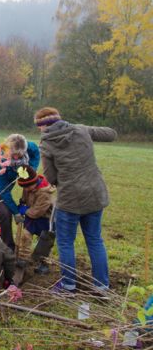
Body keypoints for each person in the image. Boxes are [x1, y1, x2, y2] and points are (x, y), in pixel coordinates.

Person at [35, 107, 116, 293]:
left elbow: (51, 177)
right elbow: (111, 134)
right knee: (95, 240)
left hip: (70, 200)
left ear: (43, 125)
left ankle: (68, 285)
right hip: (95, 195)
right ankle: (101, 286)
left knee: (65, 243)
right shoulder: (80, 129)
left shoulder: (46, 144)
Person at [0, 134, 40, 251]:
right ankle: (8, 247)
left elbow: (36, 153)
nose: (16, 157)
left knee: (5, 214)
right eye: (14, 155)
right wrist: (16, 212)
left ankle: (1, 240)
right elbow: (3, 192)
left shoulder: (28, 147)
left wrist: (32, 169)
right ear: (8, 149)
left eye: (19, 155)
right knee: (5, 213)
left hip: (4, 186)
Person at [16, 165, 55, 275]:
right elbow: (24, 198)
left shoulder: (45, 193)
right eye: (25, 187)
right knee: (25, 235)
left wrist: (25, 211)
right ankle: (23, 259)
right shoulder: (27, 186)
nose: (27, 189)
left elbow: (37, 211)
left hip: (45, 219)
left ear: (36, 181)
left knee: (44, 243)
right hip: (31, 217)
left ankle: (44, 263)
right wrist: (21, 204)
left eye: (29, 187)